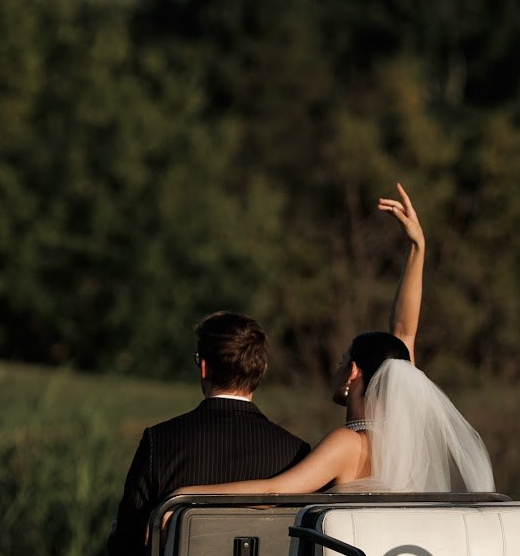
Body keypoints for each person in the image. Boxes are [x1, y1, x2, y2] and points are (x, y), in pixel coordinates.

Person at [159, 185, 494, 512]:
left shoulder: (349, 444)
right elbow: (404, 335)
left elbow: (275, 491)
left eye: (341, 360)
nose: (336, 368)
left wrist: (184, 496)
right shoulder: (403, 443)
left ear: (352, 372)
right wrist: (417, 249)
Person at [62, 309, 310, 556]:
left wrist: (123, 534)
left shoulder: (161, 442)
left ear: (205, 366)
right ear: (259, 370)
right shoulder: (295, 453)